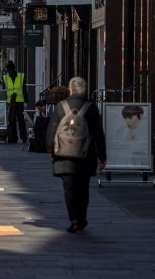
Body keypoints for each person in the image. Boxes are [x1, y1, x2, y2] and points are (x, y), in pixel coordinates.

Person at [46, 76, 106, 233]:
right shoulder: (91, 108)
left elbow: (52, 129)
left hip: (64, 155)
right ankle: (81, 218)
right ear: (84, 90)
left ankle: (74, 219)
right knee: (83, 188)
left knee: (69, 188)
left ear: (70, 90)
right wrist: (102, 156)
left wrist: (50, 148)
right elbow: (99, 134)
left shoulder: (61, 106)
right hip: (86, 155)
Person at [4, 60, 27, 144]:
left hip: (18, 101)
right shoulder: (5, 77)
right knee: (13, 120)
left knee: (20, 120)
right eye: (8, 70)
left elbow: (24, 89)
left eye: (9, 70)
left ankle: (20, 137)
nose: (9, 72)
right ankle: (15, 137)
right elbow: (4, 90)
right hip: (11, 102)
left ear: (13, 69)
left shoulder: (21, 76)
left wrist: (26, 100)